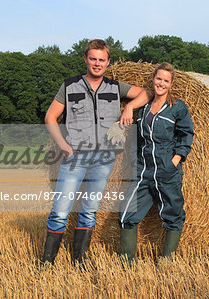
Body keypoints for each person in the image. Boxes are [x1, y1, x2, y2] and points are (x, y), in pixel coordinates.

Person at [41, 39, 149, 266]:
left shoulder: (115, 87)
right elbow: (50, 117)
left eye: (101, 60)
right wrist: (62, 144)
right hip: (75, 158)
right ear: (85, 59)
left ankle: (80, 260)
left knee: (89, 211)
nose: (97, 64)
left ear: (108, 62)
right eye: (93, 59)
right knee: (60, 211)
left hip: (104, 158)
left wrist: (129, 106)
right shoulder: (69, 86)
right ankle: (46, 263)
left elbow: (147, 92)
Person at [118, 62, 194, 263]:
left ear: (171, 84)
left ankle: (166, 263)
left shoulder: (177, 108)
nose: (161, 83)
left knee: (173, 215)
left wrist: (174, 161)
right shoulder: (143, 107)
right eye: (158, 78)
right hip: (143, 170)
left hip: (166, 171)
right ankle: (126, 265)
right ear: (153, 79)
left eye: (166, 80)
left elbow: (186, 135)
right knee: (126, 213)